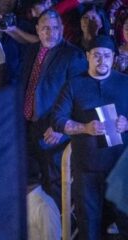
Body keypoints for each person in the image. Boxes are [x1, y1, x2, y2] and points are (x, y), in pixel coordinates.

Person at [52, 35, 128, 240]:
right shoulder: (74, 85)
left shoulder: (125, 83)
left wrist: (127, 123)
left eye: (106, 55)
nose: (102, 61)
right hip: (87, 170)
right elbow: (58, 120)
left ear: (114, 57)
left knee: (125, 224)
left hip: (121, 170)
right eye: (96, 55)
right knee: (89, 227)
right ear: (87, 56)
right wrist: (85, 127)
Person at [19, 9, 87, 208]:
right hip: (28, 125)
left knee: (54, 182)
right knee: (31, 181)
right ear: (38, 30)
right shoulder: (32, 50)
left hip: (53, 130)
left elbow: (78, 97)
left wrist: (60, 127)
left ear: (62, 29)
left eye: (56, 28)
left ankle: (58, 230)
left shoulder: (73, 55)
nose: (51, 33)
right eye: (46, 28)